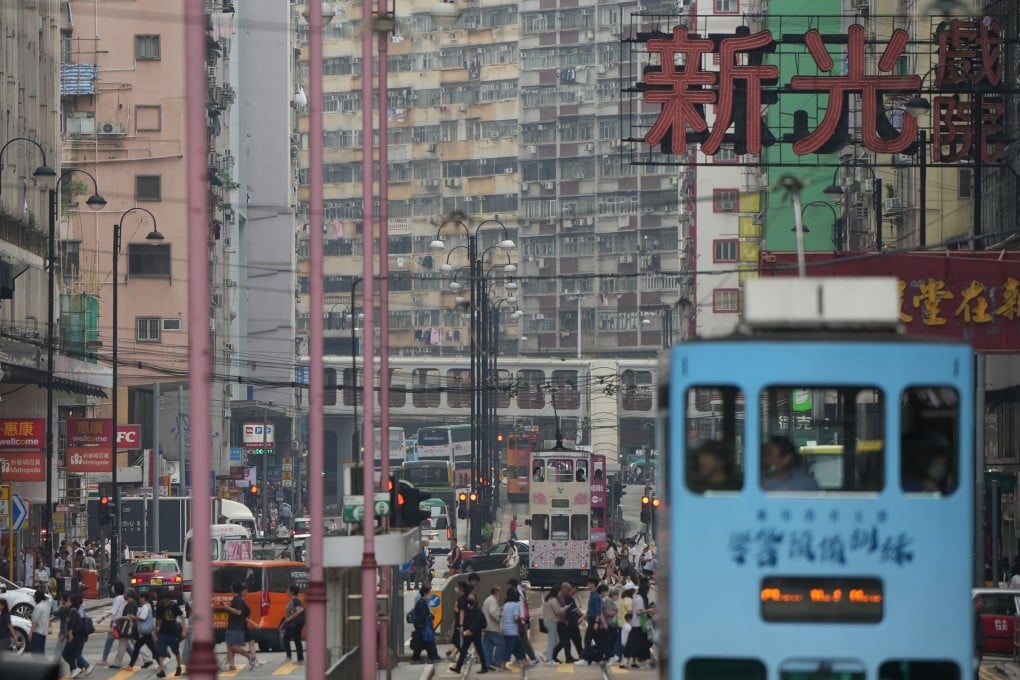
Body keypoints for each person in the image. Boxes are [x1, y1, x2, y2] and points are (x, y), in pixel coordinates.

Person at [450, 592, 488, 674]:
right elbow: (464, 619)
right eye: (469, 598)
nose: (469, 600)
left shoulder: (477, 610)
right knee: (463, 650)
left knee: (479, 649)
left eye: (471, 598)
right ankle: (458, 667)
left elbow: (477, 622)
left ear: (475, 600)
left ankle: (484, 667)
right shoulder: (467, 609)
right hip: (467, 634)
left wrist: (470, 630)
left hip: (475, 633)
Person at [221, 582, 255, 671]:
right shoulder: (236, 599)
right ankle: (231, 665)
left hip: (236, 627)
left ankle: (250, 657)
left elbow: (239, 612)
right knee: (229, 646)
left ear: (233, 589)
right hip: (231, 625)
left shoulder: (238, 600)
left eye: (231, 588)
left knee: (234, 647)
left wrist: (228, 608)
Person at [499, 587, 534, 669]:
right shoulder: (515, 605)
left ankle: (525, 662)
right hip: (512, 631)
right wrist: (521, 619)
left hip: (505, 629)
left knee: (519, 647)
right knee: (509, 648)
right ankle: (503, 664)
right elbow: (515, 618)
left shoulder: (506, 605)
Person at [154, 589, 184, 677]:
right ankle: (162, 670)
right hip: (163, 632)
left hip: (173, 632)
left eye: (164, 598)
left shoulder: (174, 606)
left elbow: (182, 616)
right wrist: (158, 627)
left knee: (176, 651)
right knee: (161, 651)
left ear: (168, 598)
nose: (163, 600)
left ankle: (178, 666)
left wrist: (184, 629)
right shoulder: (160, 606)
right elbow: (159, 618)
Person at [63, 594, 94, 676]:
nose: (66, 602)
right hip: (80, 636)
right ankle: (75, 670)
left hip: (76, 636)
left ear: (72, 602)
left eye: (68, 601)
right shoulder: (77, 610)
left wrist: (70, 634)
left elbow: (73, 624)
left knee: (67, 653)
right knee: (74, 654)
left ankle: (85, 666)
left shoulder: (73, 611)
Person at [128, 592, 159, 671]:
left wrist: (134, 617)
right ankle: (131, 665)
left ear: (144, 598)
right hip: (146, 631)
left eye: (140, 598)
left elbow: (143, 618)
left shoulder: (145, 606)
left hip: (144, 631)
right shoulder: (148, 606)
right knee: (144, 647)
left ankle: (160, 663)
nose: (139, 600)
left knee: (147, 648)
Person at [99, 581, 127, 665]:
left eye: (113, 587)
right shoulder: (123, 597)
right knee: (123, 641)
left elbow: (113, 611)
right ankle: (134, 655)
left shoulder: (117, 599)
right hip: (120, 622)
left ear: (116, 589)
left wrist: (102, 618)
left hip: (116, 623)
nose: (112, 589)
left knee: (109, 640)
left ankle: (104, 659)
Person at [410, 585, 440, 663]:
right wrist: (430, 616)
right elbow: (424, 615)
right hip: (422, 626)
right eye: (428, 593)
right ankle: (416, 658)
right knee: (422, 643)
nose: (429, 595)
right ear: (425, 594)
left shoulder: (422, 602)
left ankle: (432, 656)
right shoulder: (421, 603)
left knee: (427, 642)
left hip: (423, 626)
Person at [481, 586, 505, 670]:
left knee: (488, 645)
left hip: (486, 627)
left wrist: (499, 609)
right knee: (501, 643)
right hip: (492, 627)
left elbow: (492, 610)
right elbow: (492, 612)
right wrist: (499, 618)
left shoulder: (488, 599)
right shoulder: (492, 600)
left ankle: (487, 663)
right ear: (496, 592)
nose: (501, 593)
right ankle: (497, 661)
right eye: (500, 592)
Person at [280, 584, 305, 664]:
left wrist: (289, 619)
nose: (286, 591)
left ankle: (289, 657)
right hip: (294, 623)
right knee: (297, 640)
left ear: (292, 592)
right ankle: (300, 659)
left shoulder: (295, 600)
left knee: (286, 638)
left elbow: (298, 611)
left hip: (295, 623)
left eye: (288, 590)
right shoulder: (293, 600)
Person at [541, 588, 564, 664]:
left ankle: (546, 653)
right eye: (560, 592)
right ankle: (549, 660)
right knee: (552, 641)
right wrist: (565, 608)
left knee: (557, 640)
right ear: (557, 592)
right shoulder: (553, 600)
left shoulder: (547, 599)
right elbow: (557, 611)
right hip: (552, 622)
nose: (560, 594)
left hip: (547, 622)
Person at [29, 588, 49, 655]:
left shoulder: (38, 607)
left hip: (37, 633)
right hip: (43, 633)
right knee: (41, 652)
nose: (33, 597)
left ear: (37, 597)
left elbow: (35, 622)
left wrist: (31, 633)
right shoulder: (46, 605)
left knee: (36, 653)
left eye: (34, 596)